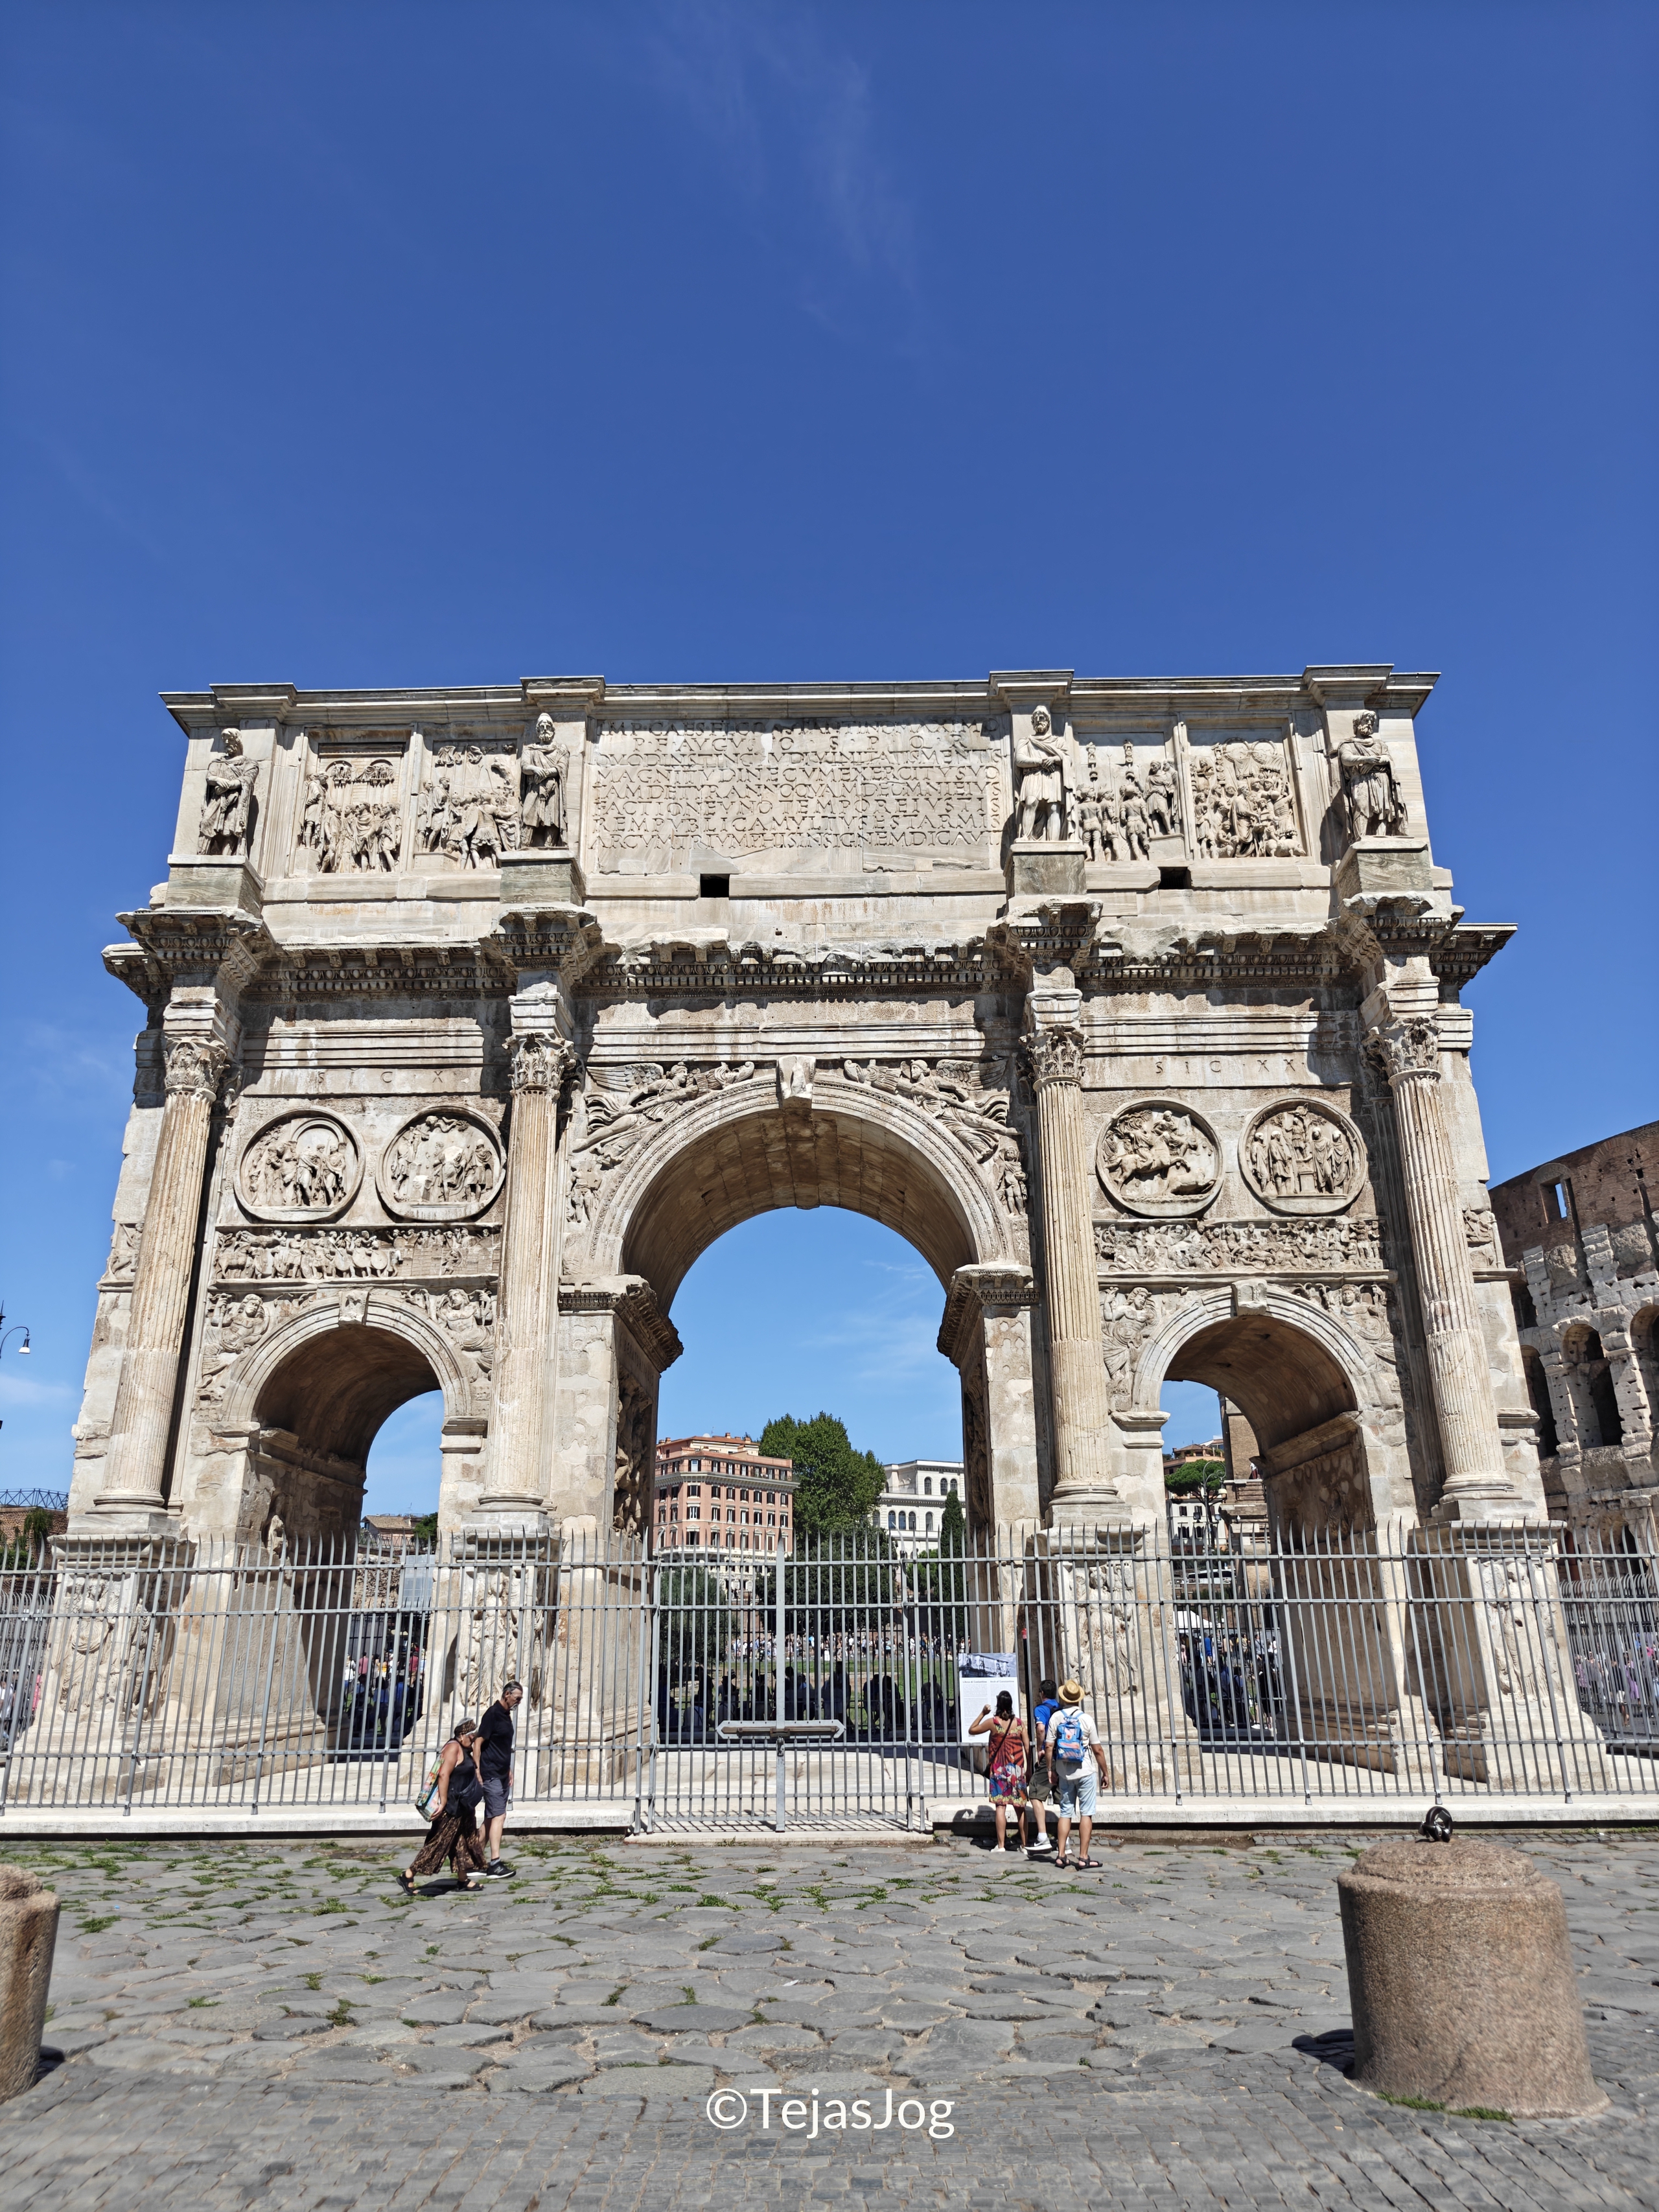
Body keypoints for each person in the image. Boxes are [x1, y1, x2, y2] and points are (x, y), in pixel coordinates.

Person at [399, 1719, 486, 1893]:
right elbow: (443, 1775)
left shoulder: (465, 1748)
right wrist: (444, 1801)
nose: (473, 1739)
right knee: (439, 1842)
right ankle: (408, 1874)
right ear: (462, 1735)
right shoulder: (453, 1748)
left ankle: (463, 1880)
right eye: (471, 1736)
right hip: (452, 1807)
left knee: (463, 1841)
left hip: (463, 1807)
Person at [1045, 1677, 1110, 1870]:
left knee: (1065, 1812)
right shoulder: (1086, 1719)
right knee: (1086, 1813)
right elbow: (1097, 1749)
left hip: (1064, 1771)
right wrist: (1105, 1772)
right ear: (1078, 1698)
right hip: (1086, 1770)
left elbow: (1049, 1746)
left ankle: (1061, 1855)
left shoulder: (1056, 1718)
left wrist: (1050, 1769)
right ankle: (1083, 1857)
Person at [969, 1690, 1036, 1852]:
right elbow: (1027, 1747)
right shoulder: (1019, 1724)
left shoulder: (993, 1723)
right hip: (1017, 1770)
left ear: (998, 1705)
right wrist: (1029, 1770)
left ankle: (1001, 1845)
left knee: (1001, 1807)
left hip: (999, 1771)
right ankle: (1025, 1845)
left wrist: (982, 1713)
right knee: (1020, 1808)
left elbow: (972, 1730)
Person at [476, 1679, 523, 1878]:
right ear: (507, 1695)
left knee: (490, 1818)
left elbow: (502, 1745)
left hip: (502, 1772)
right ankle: (495, 1862)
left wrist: (509, 1768)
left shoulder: (506, 1716)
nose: (518, 1703)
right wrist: (477, 1770)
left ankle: (472, 1859)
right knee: (499, 1816)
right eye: (517, 1699)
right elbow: (478, 1743)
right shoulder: (493, 1714)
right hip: (490, 1773)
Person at [1026, 1677, 1060, 1854]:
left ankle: (1042, 1836)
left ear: (1042, 1694)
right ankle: (1065, 1840)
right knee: (1063, 1799)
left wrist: (1040, 1748)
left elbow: (1040, 1729)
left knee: (1035, 1793)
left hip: (1049, 1756)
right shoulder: (1061, 1709)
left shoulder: (1041, 1709)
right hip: (1063, 1758)